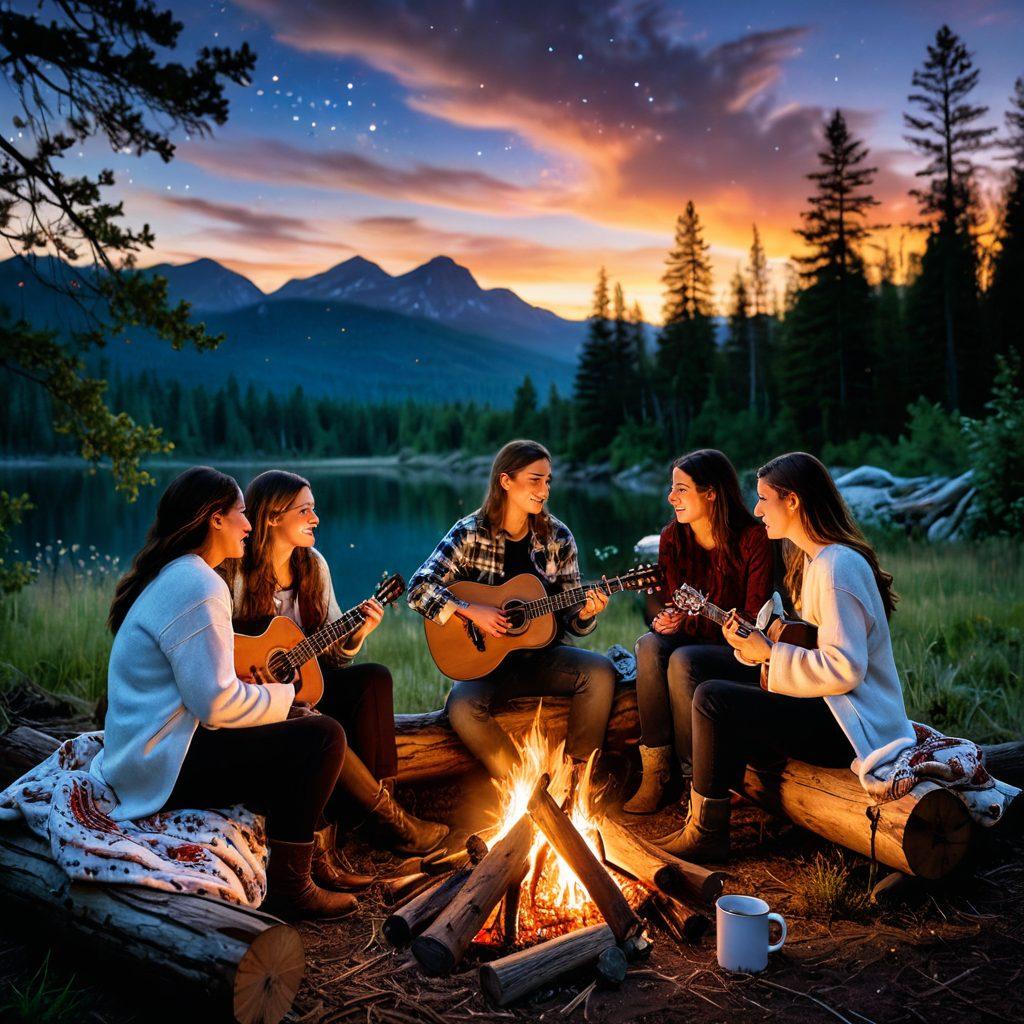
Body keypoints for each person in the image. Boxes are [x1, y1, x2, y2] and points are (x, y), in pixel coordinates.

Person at [92, 466, 356, 919]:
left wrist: (280, 710)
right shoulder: (200, 584)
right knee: (323, 737)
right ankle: (292, 888)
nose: (249, 526)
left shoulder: (178, 574)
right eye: (240, 514)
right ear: (215, 518)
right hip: (163, 767)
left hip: (148, 754)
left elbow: (209, 695)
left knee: (302, 726)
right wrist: (286, 704)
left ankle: (306, 855)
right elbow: (214, 703)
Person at [655, 452, 916, 862]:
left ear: (792, 501)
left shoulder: (836, 569)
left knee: (712, 698)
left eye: (764, 499)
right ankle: (709, 791)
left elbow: (845, 669)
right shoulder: (818, 561)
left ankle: (707, 832)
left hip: (851, 725)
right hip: (831, 708)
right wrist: (758, 649)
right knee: (701, 667)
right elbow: (811, 643)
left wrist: (773, 654)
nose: (757, 510)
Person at [226, 470, 448, 865]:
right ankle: (392, 824)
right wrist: (250, 672)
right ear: (273, 517)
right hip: (253, 698)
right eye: (305, 510)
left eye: (314, 509)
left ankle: (378, 809)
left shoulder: (313, 566)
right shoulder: (236, 572)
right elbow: (219, 645)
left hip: (301, 687)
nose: (315, 518)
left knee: (374, 678)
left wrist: (354, 634)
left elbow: (330, 658)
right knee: (311, 715)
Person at [407, 440, 616, 779]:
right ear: (506, 481)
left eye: (548, 481)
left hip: (545, 658)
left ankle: (579, 778)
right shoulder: (469, 532)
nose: (544, 490)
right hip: (486, 667)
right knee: (461, 708)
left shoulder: (558, 537)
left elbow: (570, 615)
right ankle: (524, 785)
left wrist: (586, 614)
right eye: (535, 480)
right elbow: (418, 589)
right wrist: (470, 610)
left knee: (601, 672)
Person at [626, 449, 773, 813]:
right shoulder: (672, 538)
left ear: (711, 492)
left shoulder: (753, 538)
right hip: (694, 637)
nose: (670, 497)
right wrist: (666, 619)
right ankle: (657, 773)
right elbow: (671, 601)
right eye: (671, 489)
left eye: (681, 489)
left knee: (683, 660)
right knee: (648, 645)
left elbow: (755, 617)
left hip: (742, 650)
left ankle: (698, 784)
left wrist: (688, 622)